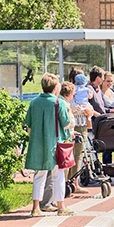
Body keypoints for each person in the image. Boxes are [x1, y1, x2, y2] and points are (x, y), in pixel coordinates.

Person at [24, 73, 74, 217]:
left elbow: (29, 124)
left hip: (38, 144)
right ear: (55, 87)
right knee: (58, 176)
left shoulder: (34, 102)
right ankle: (61, 207)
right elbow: (65, 124)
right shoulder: (59, 103)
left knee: (39, 176)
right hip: (55, 144)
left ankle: (35, 208)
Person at [62, 81, 90, 195]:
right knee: (76, 155)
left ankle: (70, 182)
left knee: (74, 156)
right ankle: (72, 182)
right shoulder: (66, 102)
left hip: (75, 128)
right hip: (74, 130)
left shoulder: (67, 101)